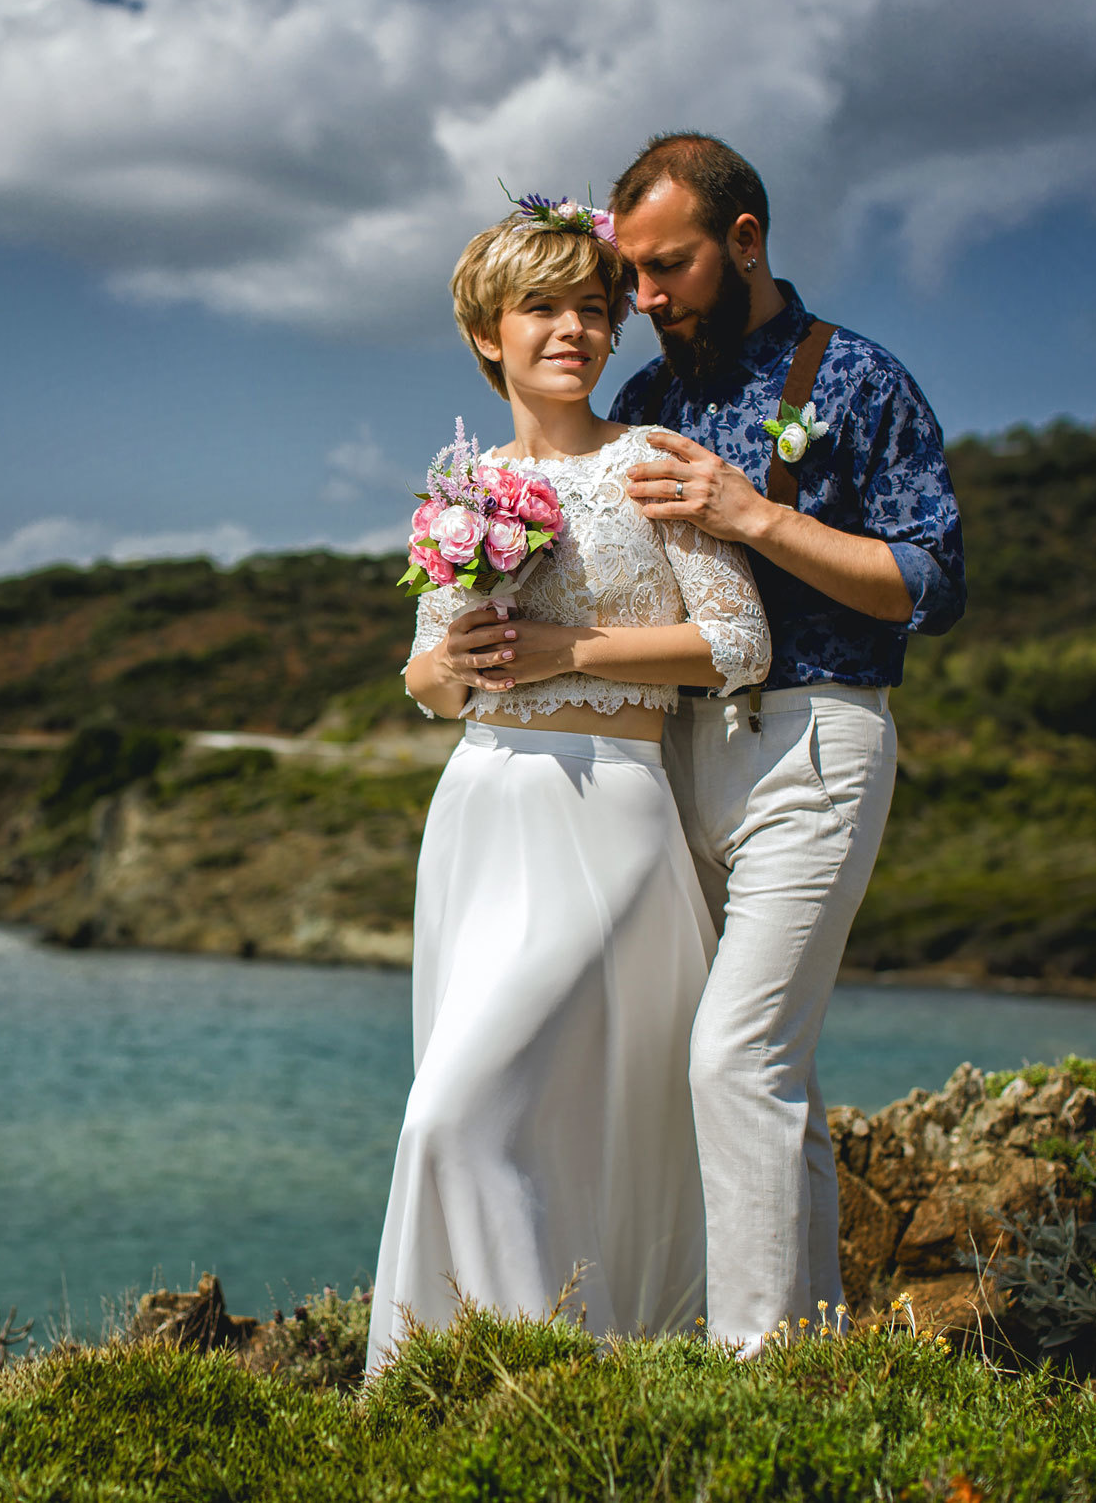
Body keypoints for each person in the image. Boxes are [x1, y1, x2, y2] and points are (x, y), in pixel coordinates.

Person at [365, 195, 773, 1374]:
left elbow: (738, 643)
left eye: (593, 310)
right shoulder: (462, 485)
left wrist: (572, 653)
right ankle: (499, 1377)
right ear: (487, 333)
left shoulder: (652, 463)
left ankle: (533, 1372)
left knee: (472, 1112)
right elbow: (431, 676)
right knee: (494, 1111)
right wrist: (445, 663)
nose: (575, 331)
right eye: (541, 308)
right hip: (487, 812)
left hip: (615, 815)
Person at [605, 133, 967, 1353]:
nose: (644, 299)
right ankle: (810, 1362)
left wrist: (754, 516)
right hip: (678, 758)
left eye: (670, 269)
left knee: (735, 1057)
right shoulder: (650, 401)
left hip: (817, 742)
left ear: (745, 242)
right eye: (633, 275)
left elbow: (930, 580)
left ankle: (750, 1385)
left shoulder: (861, 380)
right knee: (769, 1077)